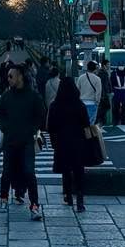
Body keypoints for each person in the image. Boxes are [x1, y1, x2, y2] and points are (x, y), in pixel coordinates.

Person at [0, 64, 46, 220]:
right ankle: (3, 198)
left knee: (29, 172)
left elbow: (41, 114)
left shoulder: (33, 96)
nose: (8, 79)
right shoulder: (6, 96)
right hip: (10, 140)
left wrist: (32, 129)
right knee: (7, 171)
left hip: (27, 142)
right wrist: (6, 128)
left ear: (20, 77)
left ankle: (35, 205)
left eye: (11, 76)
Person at [48, 76, 92, 211]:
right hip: (78, 141)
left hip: (61, 142)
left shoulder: (55, 105)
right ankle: (80, 198)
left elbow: (50, 126)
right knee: (79, 171)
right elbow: (86, 124)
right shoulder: (80, 105)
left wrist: (54, 141)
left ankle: (67, 195)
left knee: (66, 170)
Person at [77, 60, 105, 125]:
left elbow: (77, 90)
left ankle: (83, 134)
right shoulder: (97, 79)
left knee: (82, 122)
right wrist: (97, 102)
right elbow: (98, 92)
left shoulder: (81, 78)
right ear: (95, 69)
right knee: (91, 122)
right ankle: (89, 135)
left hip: (82, 103)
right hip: (92, 103)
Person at [110, 59, 125, 125]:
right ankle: (116, 120)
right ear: (118, 66)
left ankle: (123, 120)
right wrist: (112, 91)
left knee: (124, 107)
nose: (121, 67)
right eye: (120, 66)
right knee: (116, 106)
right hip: (117, 91)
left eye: (122, 66)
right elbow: (111, 83)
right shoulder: (114, 73)